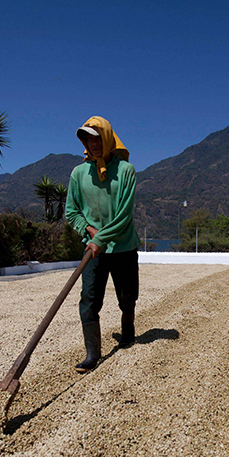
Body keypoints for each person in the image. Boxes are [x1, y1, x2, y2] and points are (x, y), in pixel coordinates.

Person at [65, 116, 141, 373]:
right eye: (88, 138)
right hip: (93, 250)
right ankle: (92, 353)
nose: (93, 143)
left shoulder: (126, 171)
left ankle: (128, 331)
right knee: (88, 299)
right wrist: (88, 230)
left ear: (108, 138)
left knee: (127, 296)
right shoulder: (78, 174)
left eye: (97, 137)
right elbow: (72, 211)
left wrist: (100, 238)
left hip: (123, 247)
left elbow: (123, 216)